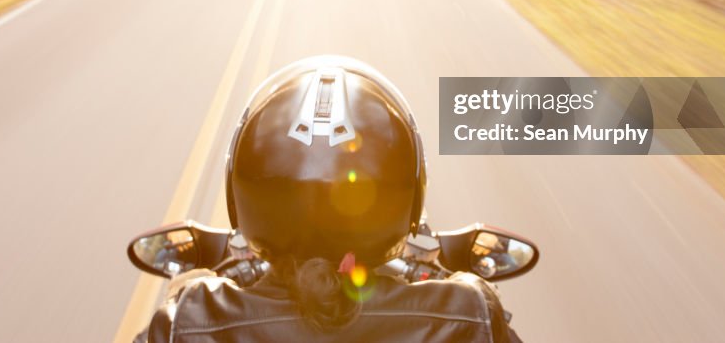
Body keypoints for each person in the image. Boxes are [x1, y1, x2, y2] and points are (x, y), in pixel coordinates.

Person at [139, 56, 524, 342]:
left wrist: (185, 292)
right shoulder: (471, 317)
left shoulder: (188, 322)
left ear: (242, 193)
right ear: (407, 194)